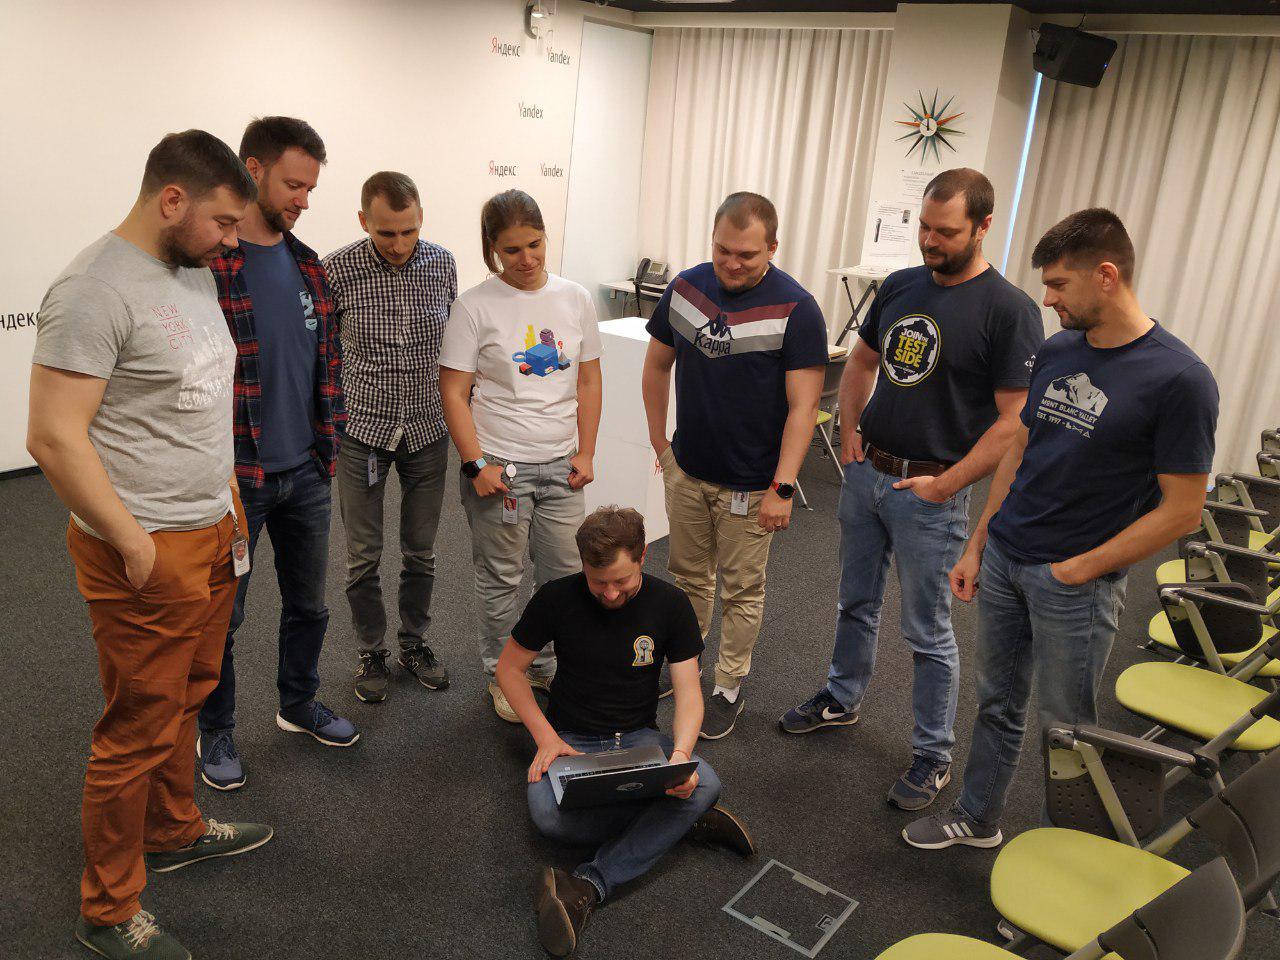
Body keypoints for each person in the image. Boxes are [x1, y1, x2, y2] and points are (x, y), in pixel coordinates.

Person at [28, 129, 272, 960]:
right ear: (173, 200)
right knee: (134, 727)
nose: (232, 241)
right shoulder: (92, 291)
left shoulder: (189, 268)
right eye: (224, 223)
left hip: (210, 529)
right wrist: (132, 542)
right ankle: (107, 908)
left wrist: (226, 499)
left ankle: (171, 828)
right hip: (145, 547)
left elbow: (193, 396)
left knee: (187, 695)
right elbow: (53, 436)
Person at [903, 208, 1217, 851]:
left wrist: (1081, 569)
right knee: (996, 703)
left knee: (1068, 729)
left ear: (1106, 275)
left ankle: (1067, 855)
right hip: (1005, 557)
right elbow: (1021, 447)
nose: (1047, 300)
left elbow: (1184, 510)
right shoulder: (1058, 349)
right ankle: (978, 818)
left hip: (1076, 584)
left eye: (1058, 285)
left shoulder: (1180, 379)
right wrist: (979, 542)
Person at [780, 169, 1045, 812]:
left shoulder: (1009, 310)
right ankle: (842, 697)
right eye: (924, 227)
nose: (929, 240)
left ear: (983, 227)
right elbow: (862, 360)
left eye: (945, 231)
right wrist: (848, 431)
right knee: (854, 601)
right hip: (867, 473)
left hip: (932, 491)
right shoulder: (900, 285)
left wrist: (947, 484)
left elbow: (1016, 421)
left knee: (927, 631)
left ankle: (933, 754)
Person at [497, 507, 754, 958]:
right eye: (598, 582)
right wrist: (545, 737)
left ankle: (590, 883)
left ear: (642, 556)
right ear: (583, 564)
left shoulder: (671, 604)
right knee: (549, 817)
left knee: (705, 782)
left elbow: (688, 692)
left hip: (637, 738)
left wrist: (681, 754)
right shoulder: (556, 598)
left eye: (622, 580)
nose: (611, 593)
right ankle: (678, 822)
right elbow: (509, 670)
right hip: (571, 741)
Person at [198, 116, 356, 793]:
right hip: (237, 479)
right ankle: (215, 729)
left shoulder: (308, 264)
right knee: (222, 618)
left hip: (307, 472)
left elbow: (326, 363)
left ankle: (298, 703)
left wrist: (328, 444)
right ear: (253, 170)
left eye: (311, 188)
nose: (304, 200)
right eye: (294, 185)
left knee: (309, 606)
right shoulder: (209, 266)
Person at [641, 191, 828, 741]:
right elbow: (656, 365)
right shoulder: (686, 288)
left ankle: (727, 686)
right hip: (688, 468)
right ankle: (687, 665)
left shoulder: (797, 309)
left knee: (742, 590)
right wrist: (659, 443)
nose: (732, 263)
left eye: (747, 254)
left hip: (751, 483)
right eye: (723, 250)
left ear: (773, 248)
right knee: (687, 577)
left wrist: (783, 487)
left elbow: (803, 408)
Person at [439, 189, 603, 722]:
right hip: (500, 466)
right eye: (512, 250)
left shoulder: (575, 298)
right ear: (492, 248)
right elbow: (454, 391)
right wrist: (474, 464)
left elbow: (589, 379)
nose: (526, 259)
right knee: (502, 578)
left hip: (561, 465)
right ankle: (502, 673)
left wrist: (587, 451)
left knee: (564, 575)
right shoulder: (474, 305)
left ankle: (547, 664)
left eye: (534, 244)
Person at [325, 172, 457, 704]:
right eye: (386, 233)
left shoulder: (443, 264)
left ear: (421, 218)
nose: (400, 245)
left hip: (427, 428)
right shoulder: (336, 270)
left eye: (409, 231)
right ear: (364, 221)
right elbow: (322, 352)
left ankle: (414, 643)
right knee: (363, 554)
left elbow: (456, 347)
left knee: (421, 551)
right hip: (363, 430)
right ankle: (371, 650)